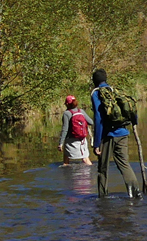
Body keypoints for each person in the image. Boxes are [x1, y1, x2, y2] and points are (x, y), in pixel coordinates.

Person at [90, 69, 140, 198]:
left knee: (102, 169)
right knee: (124, 164)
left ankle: (102, 198)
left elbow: (98, 119)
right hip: (123, 133)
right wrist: (134, 123)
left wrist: (96, 143)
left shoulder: (96, 93)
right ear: (106, 79)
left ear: (94, 81)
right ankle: (135, 193)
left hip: (108, 136)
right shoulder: (115, 91)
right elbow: (130, 108)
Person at [58, 94, 93, 166]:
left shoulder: (66, 113)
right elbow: (91, 122)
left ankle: (67, 175)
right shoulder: (81, 111)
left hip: (71, 141)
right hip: (82, 140)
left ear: (67, 104)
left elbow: (65, 129)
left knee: (66, 161)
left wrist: (60, 143)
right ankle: (92, 173)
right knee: (86, 159)